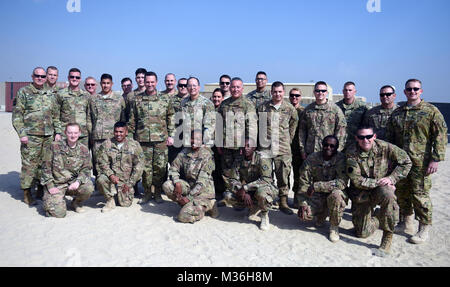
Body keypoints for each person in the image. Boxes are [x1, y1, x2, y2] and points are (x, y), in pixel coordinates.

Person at [386, 79, 447, 244]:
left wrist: (436, 159)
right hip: (401, 163)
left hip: (421, 163)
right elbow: (390, 139)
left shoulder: (431, 111)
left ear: (421, 91)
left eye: (415, 89)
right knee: (402, 193)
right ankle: (406, 223)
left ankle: (423, 228)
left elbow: (440, 137)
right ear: (405, 92)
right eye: (409, 89)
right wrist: (390, 160)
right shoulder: (397, 113)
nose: (412, 91)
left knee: (420, 195)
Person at [346, 125, 412, 254]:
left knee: (389, 195)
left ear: (374, 136)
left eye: (369, 137)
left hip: (380, 189)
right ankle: (378, 217)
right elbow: (357, 180)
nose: (365, 140)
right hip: (362, 192)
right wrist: (380, 182)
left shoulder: (385, 147)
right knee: (362, 233)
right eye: (361, 137)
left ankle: (387, 236)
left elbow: (406, 162)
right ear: (356, 138)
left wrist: (392, 178)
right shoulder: (351, 152)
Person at [12, 67, 61, 205]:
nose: (40, 78)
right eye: (37, 76)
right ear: (32, 76)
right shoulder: (24, 92)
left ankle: (40, 188)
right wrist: (22, 133)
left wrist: (58, 132)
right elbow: (17, 115)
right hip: (31, 136)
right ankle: (27, 192)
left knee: (45, 163)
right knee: (29, 164)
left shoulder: (50, 93)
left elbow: (56, 116)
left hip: (48, 135)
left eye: (42, 76)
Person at [128, 71, 175, 204]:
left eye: (152, 82)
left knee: (160, 168)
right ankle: (147, 193)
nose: (149, 84)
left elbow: (171, 117)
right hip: (142, 140)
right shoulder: (136, 99)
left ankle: (158, 193)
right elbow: (132, 120)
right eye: (147, 82)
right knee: (145, 169)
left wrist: (171, 135)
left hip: (161, 140)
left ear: (156, 82)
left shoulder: (165, 99)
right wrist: (131, 139)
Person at [257, 81, 298, 215]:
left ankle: (283, 201)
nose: (277, 94)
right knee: (266, 175)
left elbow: (293, 124)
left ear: (283, 92)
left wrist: (288, 139)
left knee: (283, 175)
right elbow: (258, 125)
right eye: (275, 91)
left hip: (283, 148)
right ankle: (268, 199)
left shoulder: (289, 108)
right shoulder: (263, 107)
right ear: (271, 92)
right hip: (266, 148)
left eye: (280, 91)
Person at [297, 135, 348, 242]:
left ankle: (334, 227)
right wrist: (303, 203)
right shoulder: (312, 158)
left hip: (333, 193)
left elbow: (342, 182)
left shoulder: (341, 159)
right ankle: (322, 214)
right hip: (317, 195)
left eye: (332, 146)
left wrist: (317, 186)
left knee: (337, 195)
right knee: (304, 215)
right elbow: (303, 181)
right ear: (322, 145)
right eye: (326, 145)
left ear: (336, 147)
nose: (328, 148)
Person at [163, 130, 219, 223]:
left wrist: (188, 198)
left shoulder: (207, 155)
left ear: (201, 141)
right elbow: (173, 168)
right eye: (192, 138)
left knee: (183, 216)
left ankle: (208, 205)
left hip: (203, 192)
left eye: (197, 139)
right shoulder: (185, 152)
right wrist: (176, 182)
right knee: (167, 185)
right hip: (191, 187)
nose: (194, 141)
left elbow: (201, 183)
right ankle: (187, 205)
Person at [221, 138, 278, 230]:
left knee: (262, 194)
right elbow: (232, 180)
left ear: (254, 148)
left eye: (249, 146)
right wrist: (242, 190)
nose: (246, 148)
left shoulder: (262, 159)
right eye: (244, 146)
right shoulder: (238, 160)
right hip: (247, 190)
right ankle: (253, 207)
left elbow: (266, 179)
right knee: (228, 196)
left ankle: (264, 215)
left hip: (263, 188)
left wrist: (246, 188)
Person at [41, 123, 94, 218]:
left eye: (75, 133)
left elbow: (86, 169)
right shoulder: (54, 146)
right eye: (70, 133)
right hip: (57, 184)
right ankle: (56, 201)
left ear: (79, 133)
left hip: (73, 184)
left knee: (88, 188)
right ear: (65, 133)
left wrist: (78, 182)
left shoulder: (84, 149)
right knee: (59, 213)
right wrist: (50, 186)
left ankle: (76, 202)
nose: (73, 135)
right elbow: (45, 167)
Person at [217, 77, 258, 196]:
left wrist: (249, 143)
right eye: (233, 87)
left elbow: (252, 125)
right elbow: (219, 124)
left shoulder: (247, 104)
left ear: (242, 88)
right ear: (229, 88)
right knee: (226, 171)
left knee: (240, 172)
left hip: (240, 146)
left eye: (238, 87)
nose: (235, 89)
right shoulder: (224, 104)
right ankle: (228, 194)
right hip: (226, 145)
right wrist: (219, 141)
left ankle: (240, 196)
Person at [96, 122, 144, 212]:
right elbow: (102, 163)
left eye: (121, 132)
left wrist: (130, 183)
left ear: (126, 132)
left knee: (125, 204)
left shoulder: (134, 145)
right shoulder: (106, 144)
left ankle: (119, 194)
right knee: (101, 179)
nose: (118, 134)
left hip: (126, 182)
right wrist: (111, 175)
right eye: (116, 132)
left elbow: (139, 165)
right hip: (112, 179)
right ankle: (110, 200)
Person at [89, 74, 126, 177]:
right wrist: (91, 134)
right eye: (103, 83)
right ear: (100, 84)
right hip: (98, 137)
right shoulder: (93, 99)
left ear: (112, 84)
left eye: (108, 83)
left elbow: (123, 119)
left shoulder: (119, 98)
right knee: (98, 161)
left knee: (114, 161)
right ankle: (100, 183)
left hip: (113, 136)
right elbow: (89, 118)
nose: (105, 85)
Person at [298, 81, 346, 159]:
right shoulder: (308, 110)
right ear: (314, 92)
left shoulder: (335, 110)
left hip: (329, 152)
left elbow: (341, 132)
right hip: (311, 152)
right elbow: (302, 132)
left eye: (323, 91)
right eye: (317, 91)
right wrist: (302, 150)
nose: (320, 93)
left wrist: (337, 151)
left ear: (326, 92)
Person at [55, 68, 91, 147]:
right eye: (72, 77)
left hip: (82, 134)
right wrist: (58, 132)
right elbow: (56, 115)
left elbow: (89, 116)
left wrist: (89, 132)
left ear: (80, 79)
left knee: (83, 157)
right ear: (68, 78)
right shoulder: (61, 94)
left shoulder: (86, 95)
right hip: (66, 134)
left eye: (77, 77)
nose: (74, 79)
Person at [179, 77, 215, 149]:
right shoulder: (183, 102)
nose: (192, 88)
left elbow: (210, 125)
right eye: (189, 85)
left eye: (194, 85)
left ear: (199, 87)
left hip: (201, 143)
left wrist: (203, 142)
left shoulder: (207, 103)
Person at [336, 81, 368, 150]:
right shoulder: (336, 107)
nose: (348, 92)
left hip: (356, 144)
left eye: (350, 90)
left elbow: (367, 125)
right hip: (339, 144)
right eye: (346, 90)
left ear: (355, 92)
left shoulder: (363, 107)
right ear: (343, 91)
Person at [288, 88, 304, 208]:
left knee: (299, 173)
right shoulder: (285, 109)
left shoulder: (304, 111)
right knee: (284, 173)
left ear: (300, 97)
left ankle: (297, 198)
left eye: (297, 95)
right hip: (286, 146)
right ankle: (283, 196)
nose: (294, 97)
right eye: (292, 95)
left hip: (299, 147)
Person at [168, 77, 189, 164]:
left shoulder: (193, 100)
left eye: (185, 85)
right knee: (174, 161)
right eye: (181, 85)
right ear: (177, 86)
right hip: (176, 137)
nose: (183, 87)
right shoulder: (171, 100)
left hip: (189, 137)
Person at [210, 88, 225, 199]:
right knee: (212, 168)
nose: (216, 99)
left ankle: (221, 191)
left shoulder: (225, 109)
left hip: (222, 143)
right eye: (214, 96)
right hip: (210, 143)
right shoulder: (209, 109)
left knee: (221, 167)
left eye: (219, 97)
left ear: (222, 98)